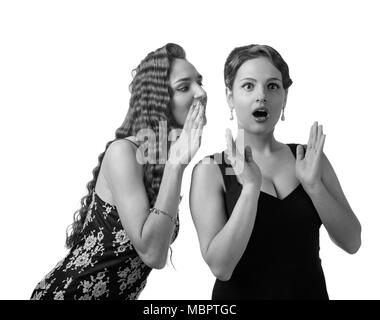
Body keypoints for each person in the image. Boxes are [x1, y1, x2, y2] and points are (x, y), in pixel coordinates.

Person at [31, 43, 207, 300]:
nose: (201, 92)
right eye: (184, 87)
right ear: (158, 98)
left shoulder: (163, 161)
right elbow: (152, 254)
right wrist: (176, 164)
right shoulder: (123, 153)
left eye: (199, 82)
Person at [189, 44, 361, 300]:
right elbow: (221, 267)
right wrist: (249, 190)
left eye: (272, 86)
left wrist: (314, 187)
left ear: (284, 97)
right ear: (229, 97)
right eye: (248, 86)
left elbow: (352, 242)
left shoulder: (310, 158)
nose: (262, 96)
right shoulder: (210, 171)